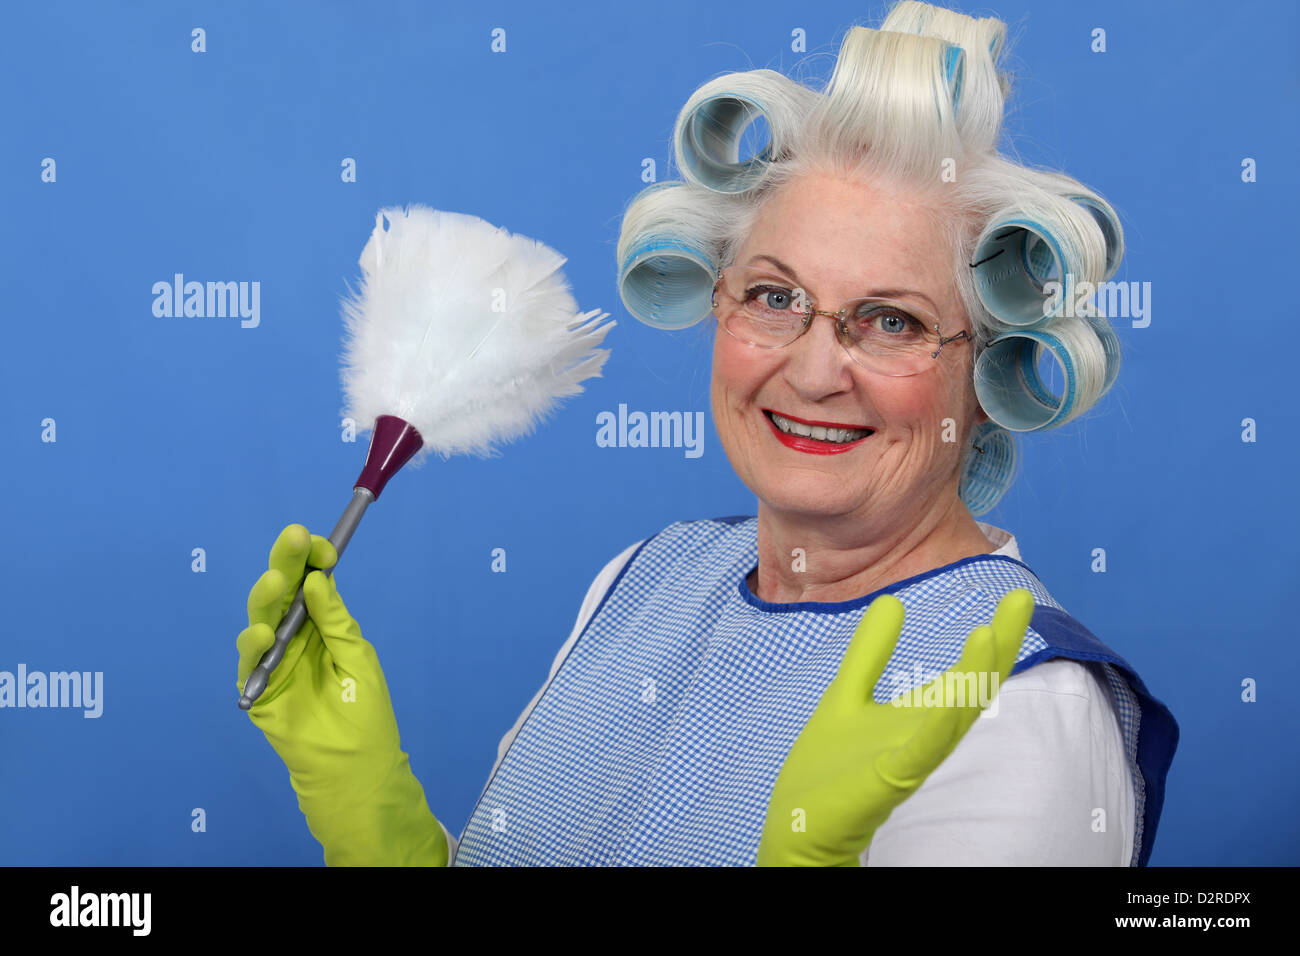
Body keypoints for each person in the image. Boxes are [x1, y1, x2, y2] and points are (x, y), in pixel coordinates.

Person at [236, 0, 1178, 867]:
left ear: (985, 375)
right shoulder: (645, 580)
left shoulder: (1019, 705)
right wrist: (385, 834)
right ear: (714, 305)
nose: (814, 371)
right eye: (775, 297)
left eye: (891, 320)